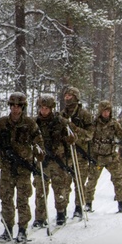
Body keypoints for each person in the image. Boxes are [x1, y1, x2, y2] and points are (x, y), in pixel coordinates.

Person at [0, 92, 44, 244]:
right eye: (13, 106)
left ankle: (22, 229)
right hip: (6, 167)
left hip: (23, 169)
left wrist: (37, 152)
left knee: (22, 200)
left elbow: (39, 143)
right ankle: (7, 228)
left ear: (23, 107)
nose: (15, 109)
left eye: (18, 106)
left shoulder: (30, 124)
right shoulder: (3, 122)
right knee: (6, 199)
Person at [82, 101, 122, 213]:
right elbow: (87, 136)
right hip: (97, 157)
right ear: (100, 111)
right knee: (92, 180)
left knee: (118, 179)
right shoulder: (94, 124)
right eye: (104, 111)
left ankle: (121, 202)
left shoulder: (114, 124)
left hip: (111, 157)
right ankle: (88, 203)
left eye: (108, 111)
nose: (106, 113)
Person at [32, 93, 76, 228]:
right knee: (40, 190)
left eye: (47, 108)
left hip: (58, 161)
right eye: (42, 108)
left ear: (51, 108)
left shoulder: (61, 121)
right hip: (42, 161)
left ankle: (61, 213)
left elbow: (73, 136)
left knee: (59, 189)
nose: (44, 111)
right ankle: (40, 217)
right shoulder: (34, 123)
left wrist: (70, 138)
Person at [61, 86, 93, 218]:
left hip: (80, 154)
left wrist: (75, 130)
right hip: (65, 155)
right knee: (64, 183)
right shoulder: (62, 115)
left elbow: (90, 134)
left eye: (70, 95)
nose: (67, 98)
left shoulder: (84, 115)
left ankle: (79, 207)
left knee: (79, 182)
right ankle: (62, 209)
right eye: (66, 95)